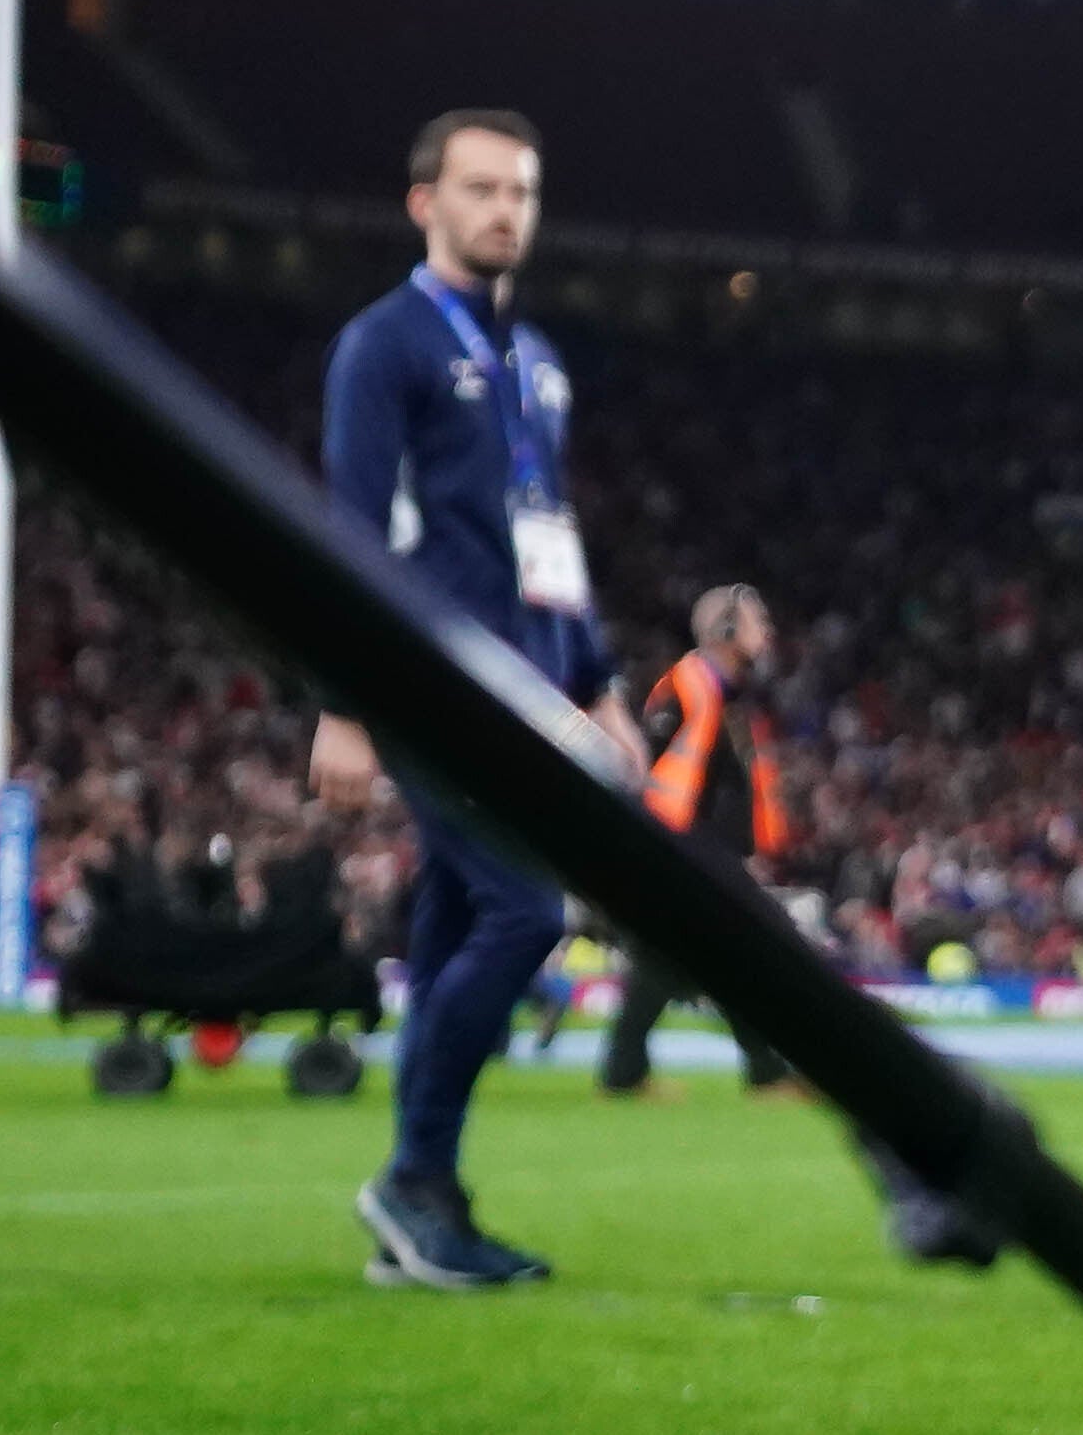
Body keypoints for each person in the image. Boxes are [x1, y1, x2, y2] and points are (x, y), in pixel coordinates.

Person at [314, 108, 642, 1286]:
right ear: (426, 204)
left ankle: (426, 1203)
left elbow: (549, 527)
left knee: (461, 924)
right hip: (431, 689)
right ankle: (411, 1183)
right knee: (527, 912)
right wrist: (345, 703)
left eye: (523, 193)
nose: (506, 210)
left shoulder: (536, 361)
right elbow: (349, 529)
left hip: (533, 693)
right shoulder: (384, 345)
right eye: (482, 189)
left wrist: (598, 684)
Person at [600, 582, 792, 1097]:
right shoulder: (689, 684)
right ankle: (768, 1071)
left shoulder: (729, 694)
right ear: (727, 631)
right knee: (756, 943)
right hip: (682, 846)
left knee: (684, 958)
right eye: (757, 620)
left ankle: (625, 1073)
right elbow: (642, 765)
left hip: (703, 848)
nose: (767, 630)